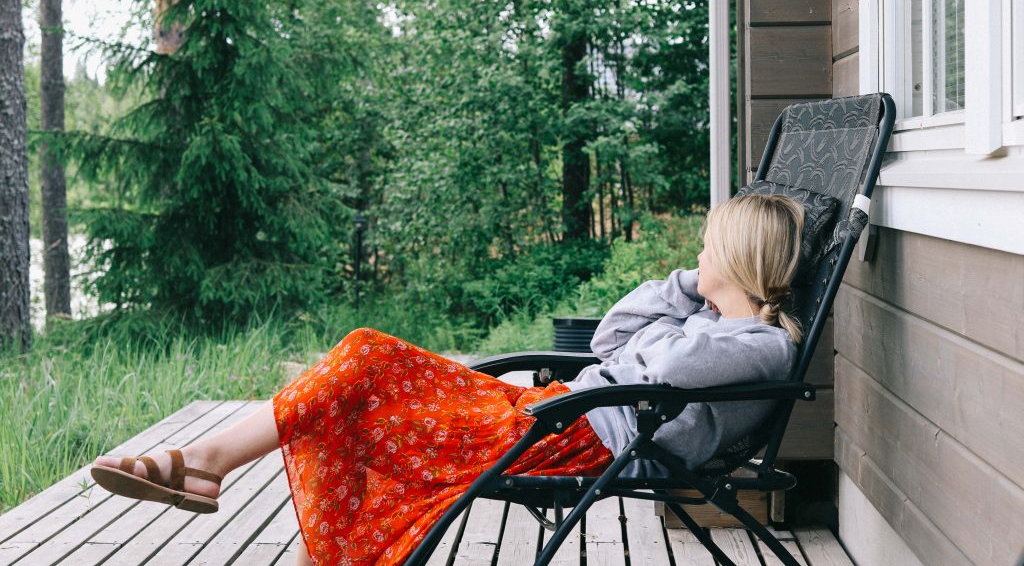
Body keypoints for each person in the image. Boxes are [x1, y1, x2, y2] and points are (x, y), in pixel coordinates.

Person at [91, 193, 804, 566]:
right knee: (364, 358)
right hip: (557, 411)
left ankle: (210, 464)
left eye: (706, 246)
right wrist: (686, 287)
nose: (695, 253)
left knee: (356, 393)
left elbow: (657, 372)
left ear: (739, 257)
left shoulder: (755, 345)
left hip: (580, 438)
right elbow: (613, 340)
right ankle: (216, 469)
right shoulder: (710, 320)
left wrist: (685, 320)